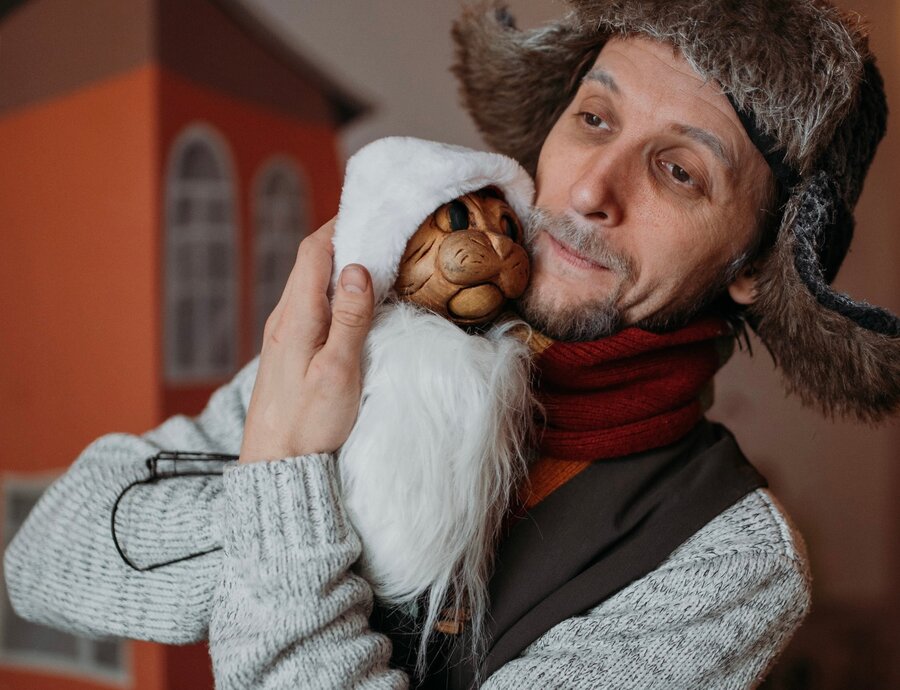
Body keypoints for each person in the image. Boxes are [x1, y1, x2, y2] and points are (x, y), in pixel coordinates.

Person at [6, 1, 899, 688]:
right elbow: (49, 557)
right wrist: (308, 501)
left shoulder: (729, 558)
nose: (590, 191)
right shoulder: (375, 339)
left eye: (678, 170)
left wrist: (282, 476)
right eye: (595, 119)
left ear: (755, 265)